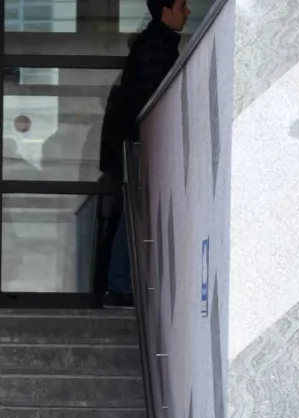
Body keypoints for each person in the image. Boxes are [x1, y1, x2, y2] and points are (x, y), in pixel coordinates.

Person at [98, 0, 190, 309]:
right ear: (166, 10)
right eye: (182, 5)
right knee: (136, 216)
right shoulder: (155, 47)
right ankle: (121, 285)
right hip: (144, 148)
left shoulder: (154, 44)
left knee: (136, 216)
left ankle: (123, 284)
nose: (187, 12)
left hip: (140, 147)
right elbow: (155, 104)